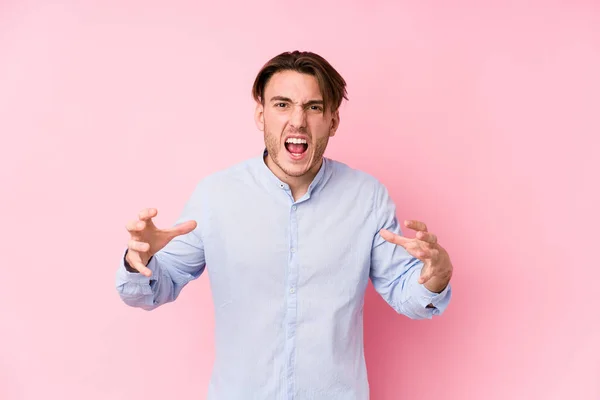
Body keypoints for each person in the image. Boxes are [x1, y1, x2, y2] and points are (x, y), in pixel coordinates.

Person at [116, 50, 453, 400]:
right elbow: (155, 287)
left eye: (314, 107)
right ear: (261, 115)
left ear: (333, 120)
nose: (297, 121)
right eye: (282, 105)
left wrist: (437, 276)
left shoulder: (366, 197)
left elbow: (407, 294)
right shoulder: (216, 196)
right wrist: (139, 261)